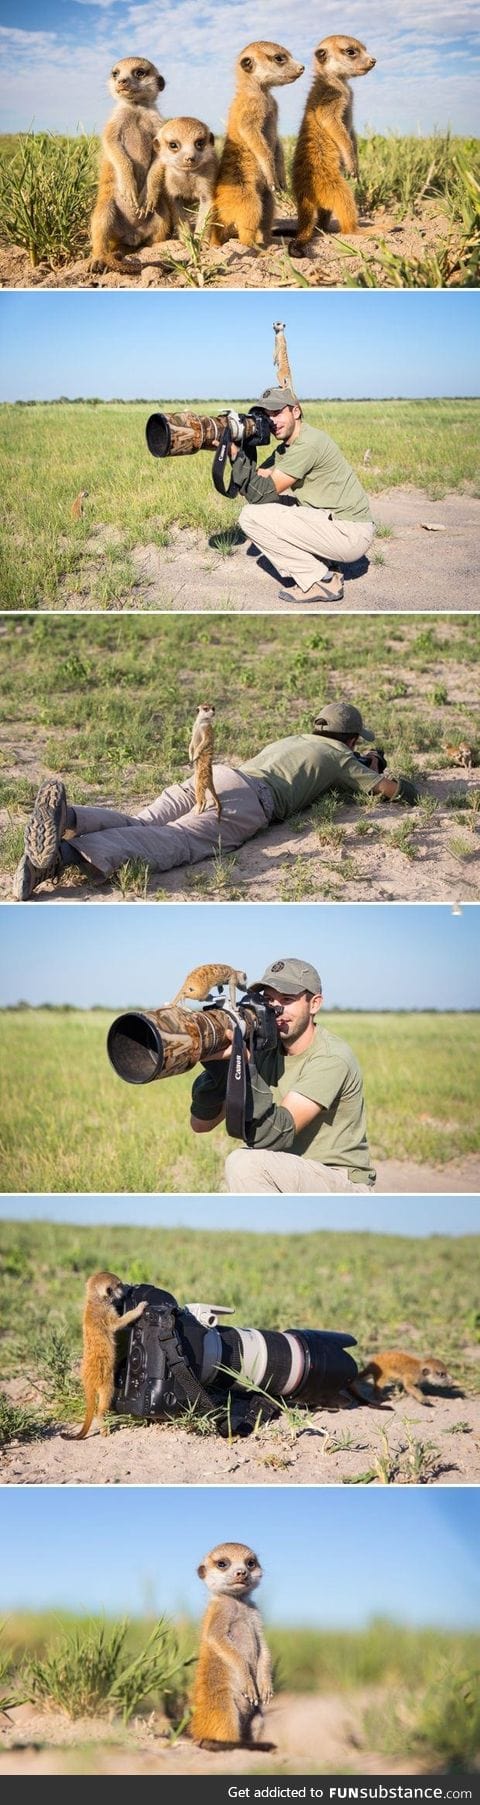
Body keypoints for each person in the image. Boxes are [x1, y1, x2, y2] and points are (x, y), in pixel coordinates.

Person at [12, 701, 418, 898]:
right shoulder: (341, 756)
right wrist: (378, 768)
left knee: (142, 822)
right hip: (248, 801)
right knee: (176, 841)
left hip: (220, 774)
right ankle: (63, 857)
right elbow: (391, 792)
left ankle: (68, 816)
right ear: (350, 740)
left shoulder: (298, 740)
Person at [190, 956, 376, 1194]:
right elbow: (201, 1124)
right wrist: (220, 1067)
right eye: (268, 1000)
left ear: (315, 1004)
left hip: (339, 1178)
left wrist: (246, 1066)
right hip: (290, 1171)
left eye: (287, 1000)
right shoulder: (267, 1049)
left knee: (244, 1163)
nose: (276, 1009)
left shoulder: (330, 1057)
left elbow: (278, 1134)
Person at [225, 386, 375, 603]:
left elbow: (259, 493)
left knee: (250, 516)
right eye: (266, 416)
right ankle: (326, 564)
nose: (271, 422)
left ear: (296, 411)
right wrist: (241, 444)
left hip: (350, 533)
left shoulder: (308, 444)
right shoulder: (289, 446)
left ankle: (320, 582)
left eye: (277, 413)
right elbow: (256, 481)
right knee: (268, 505)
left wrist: (234, 454)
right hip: (338, 524)